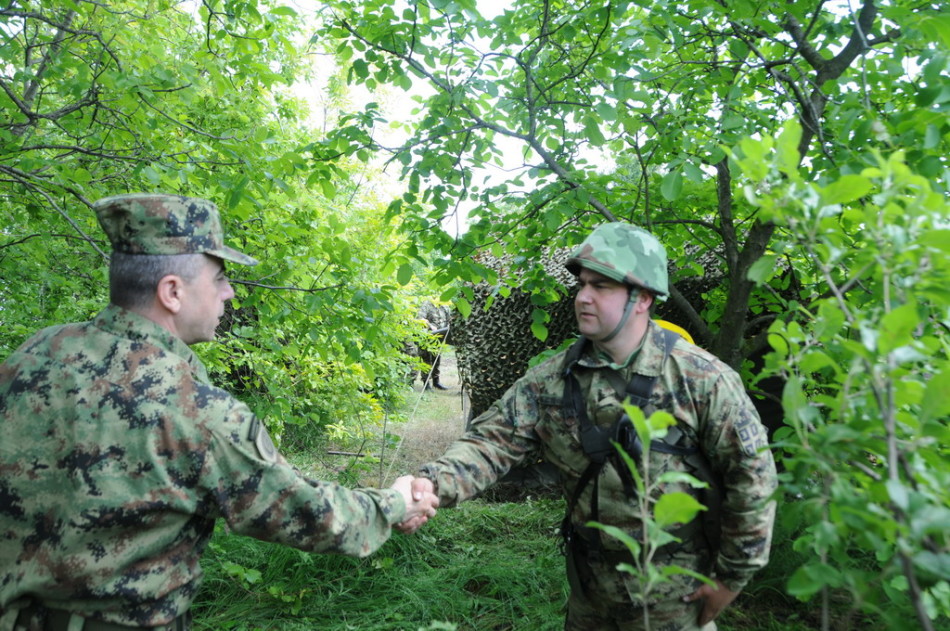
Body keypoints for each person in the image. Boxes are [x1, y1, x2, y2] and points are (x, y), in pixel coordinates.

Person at [0, 193, 439, 631]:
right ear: (172, 292)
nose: (229, 292)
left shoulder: (35, 354)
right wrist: (399, 500)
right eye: (219, 278)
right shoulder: (195, 409)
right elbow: (312, 514)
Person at [403, 222, 777, 631]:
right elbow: (489, 442)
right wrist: (429, 485)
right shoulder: (553, 380)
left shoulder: (700, 379)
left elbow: (753, 478)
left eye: (602, 286)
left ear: (643, 298)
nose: (583, 296)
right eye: (582, 284)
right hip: (589, 595)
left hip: (675, 598)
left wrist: (731, 579)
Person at [416, 301, 451, 390]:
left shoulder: (445, 306)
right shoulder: (427, 304)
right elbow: (420, 318)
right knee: (426, 360)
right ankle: (426, 383)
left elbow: (448, 320)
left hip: (439, 338)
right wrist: (430, 326)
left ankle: (436, 382)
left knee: (437, 359)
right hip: (427, 337)